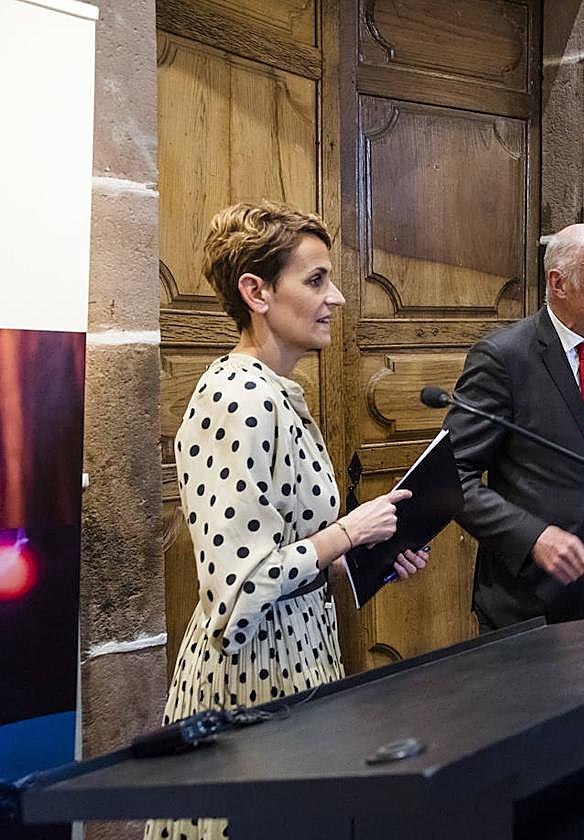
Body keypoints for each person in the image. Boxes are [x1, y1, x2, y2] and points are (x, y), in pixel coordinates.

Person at [146, 201, 428, 840]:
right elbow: (241, 587)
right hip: (252, 682)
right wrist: (350, 532)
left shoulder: (277, 391)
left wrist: (371, 555)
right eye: (316, 280)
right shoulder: (237, 397)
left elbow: (294, 549)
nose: (337, 299)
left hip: (299, 665)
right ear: (256, 292)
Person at [446, 223, 584, 631]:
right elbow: (453, 477)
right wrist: (533, 537)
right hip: (531, 606)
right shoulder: (503, 359)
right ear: (559, 283)